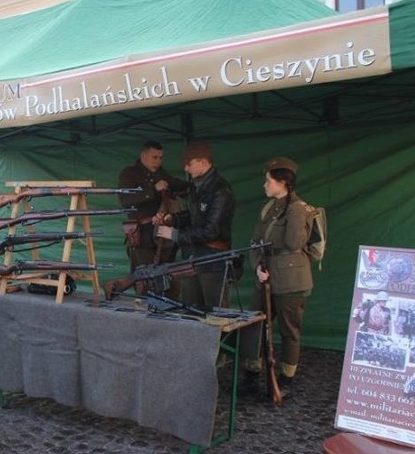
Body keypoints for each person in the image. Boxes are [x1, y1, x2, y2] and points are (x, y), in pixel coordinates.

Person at [240, 157, 314, 397]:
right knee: (255, 324)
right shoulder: (268, 207)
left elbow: (294, 242)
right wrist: (257, 268)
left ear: (282, 182)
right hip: (266, 276)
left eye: (269, 181)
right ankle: (252, 373)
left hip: (291, 280)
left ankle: (285, 378)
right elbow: (254, 241)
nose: (265, 185)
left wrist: (293, 211)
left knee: (289, 330)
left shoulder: (298, 209)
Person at [156, 141, 235, 309]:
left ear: (203, 162)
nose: (186, 169)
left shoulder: (221, 190)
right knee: (190, 311)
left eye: (189, 164)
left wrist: (175, 235)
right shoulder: (195, 187)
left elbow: (210, 230)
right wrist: (172, 219)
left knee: (217, 314)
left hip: (213, 260)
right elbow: (194, 215)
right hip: (191, 257)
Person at [117, 140, 189, 274]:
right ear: (143, 156)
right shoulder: (129, 173)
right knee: (143, 278)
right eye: (154, 157)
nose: (158, 161)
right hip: (142, 236)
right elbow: (125, 200)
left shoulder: (161, 173)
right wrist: (153, 189)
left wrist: (195, 186)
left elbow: (174, 183)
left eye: (160, 158)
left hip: (163, 233)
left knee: (165, 276)